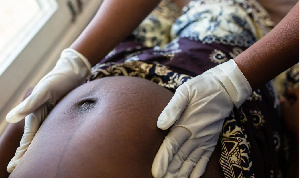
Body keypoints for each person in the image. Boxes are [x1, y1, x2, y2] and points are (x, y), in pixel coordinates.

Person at [1, 0, 298, 178]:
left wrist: (233, 82)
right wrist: (74, 59)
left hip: (244, 82)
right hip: (143, 54)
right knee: (28, 107)